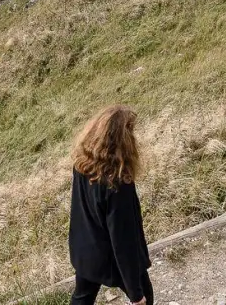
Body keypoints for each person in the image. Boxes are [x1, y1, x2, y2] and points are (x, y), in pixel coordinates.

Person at [69, 105, 152, 305]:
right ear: (121, 140)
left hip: (85, 250)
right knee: (146, 296)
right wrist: (135, 293)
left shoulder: (82, 165)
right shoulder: (118, 184)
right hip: (111, 257)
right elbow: (123, 241)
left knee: (82, 297)